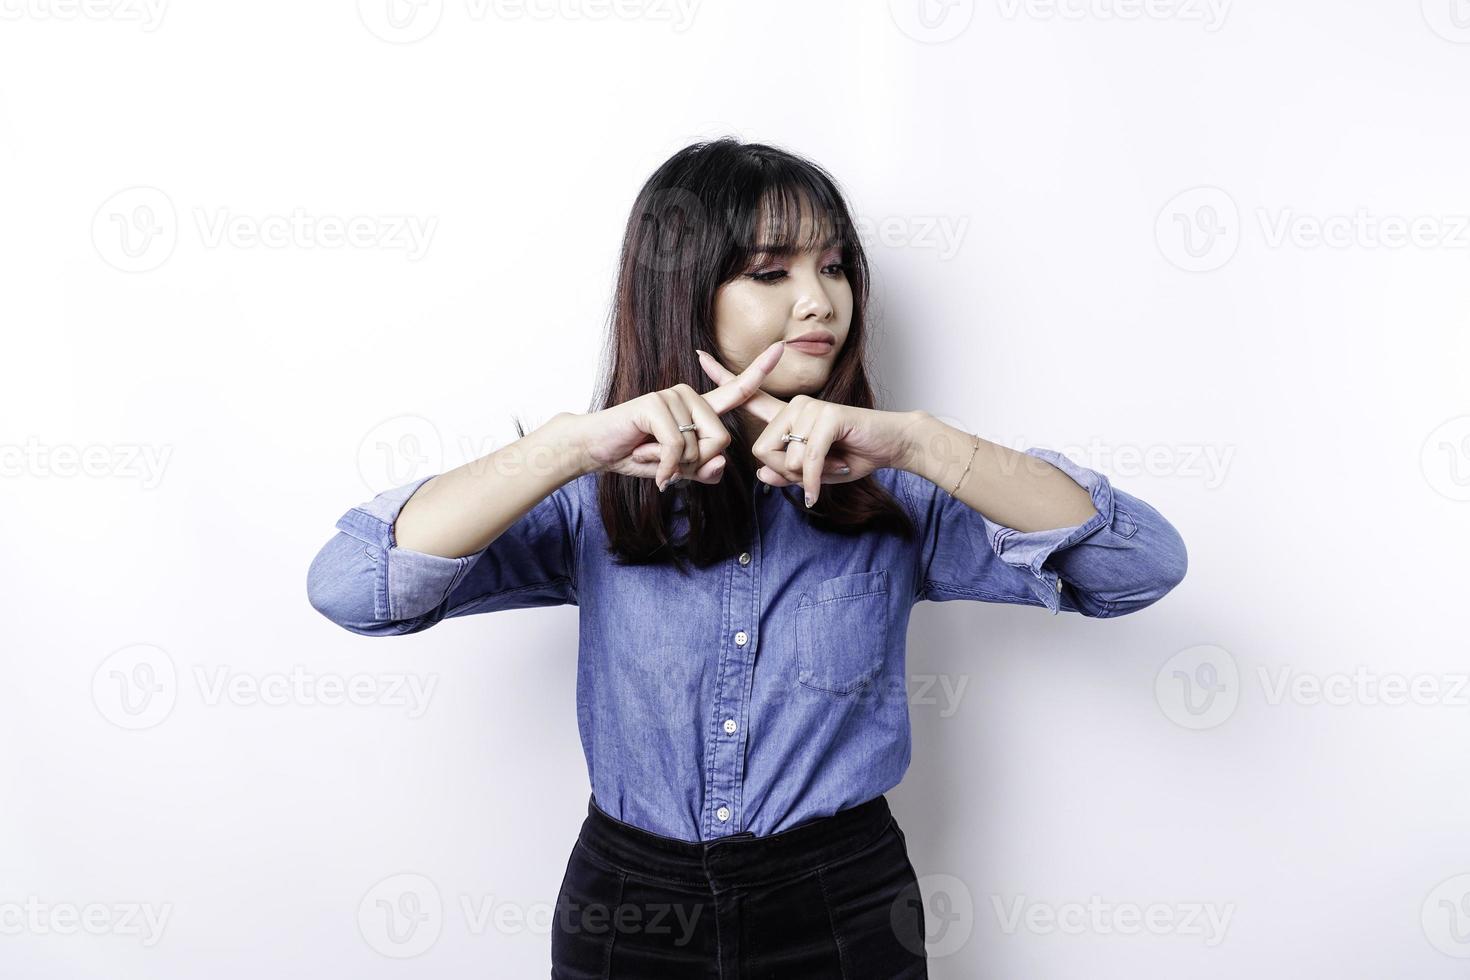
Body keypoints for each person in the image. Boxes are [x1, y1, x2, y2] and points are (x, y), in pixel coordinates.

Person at [306, 138, 1188, 978]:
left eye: (835, 267)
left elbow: (1139, 564)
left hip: (842, 902)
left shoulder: (896, 491)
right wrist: (569, 447)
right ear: (683, 291)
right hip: (629, 910)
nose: (821, 301)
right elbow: (353, 588)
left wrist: (919, 442)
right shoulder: (590, 494)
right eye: (772, 272)